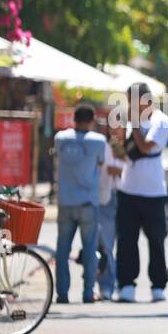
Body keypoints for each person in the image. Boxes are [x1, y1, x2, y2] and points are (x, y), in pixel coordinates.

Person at [115, 83, 168, 303]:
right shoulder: (130, 122)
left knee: (156, 240)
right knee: (127, 240)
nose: (130, 105)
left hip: (153, 192)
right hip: (128, 189)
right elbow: (124, 152)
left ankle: (158, 285)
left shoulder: (160, 120)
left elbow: (147, 147)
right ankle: (126, 284)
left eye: (133, 100)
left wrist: (135, 125)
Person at [53, 105, 108, 304]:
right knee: (90, 248)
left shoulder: (61, 138)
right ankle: (87, 292)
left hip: (65, 201)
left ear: (74, 119)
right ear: (92, 120)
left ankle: (62, 293)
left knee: (62, 250)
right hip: (88, 202)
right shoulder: (98, 141)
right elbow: (101, 164)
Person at [93, 116, 125, 301]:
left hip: (118, 198)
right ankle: (102, 286)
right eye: (112, 125)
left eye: (119, 125)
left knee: (108, 246)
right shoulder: (105, 146)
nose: (115, 129)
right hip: (103, 197)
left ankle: (109, 286)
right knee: (101, 246)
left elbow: (122, 170)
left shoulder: (123, 148)